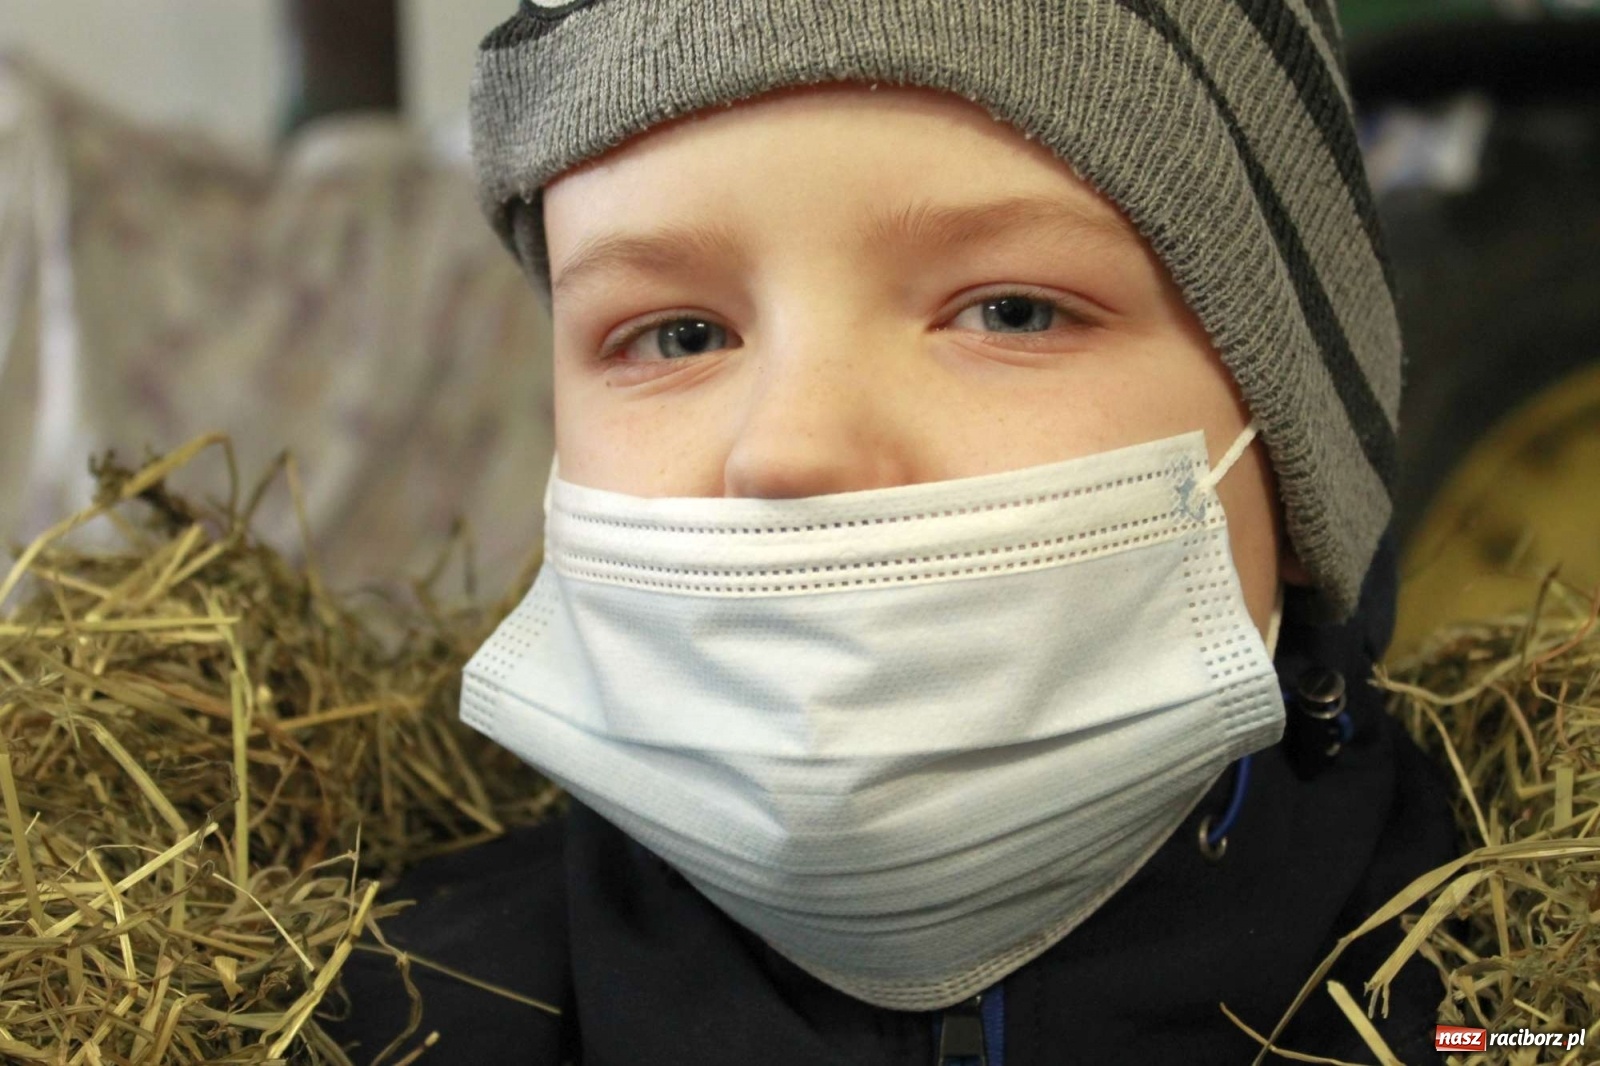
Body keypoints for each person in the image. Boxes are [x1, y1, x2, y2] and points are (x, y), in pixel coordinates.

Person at [325, 2, 1458, 1062]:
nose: (789, 448)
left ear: (1301, 444)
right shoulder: (392, 1011)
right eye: (675, 336)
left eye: (1010, 311)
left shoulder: (1495, 1002)